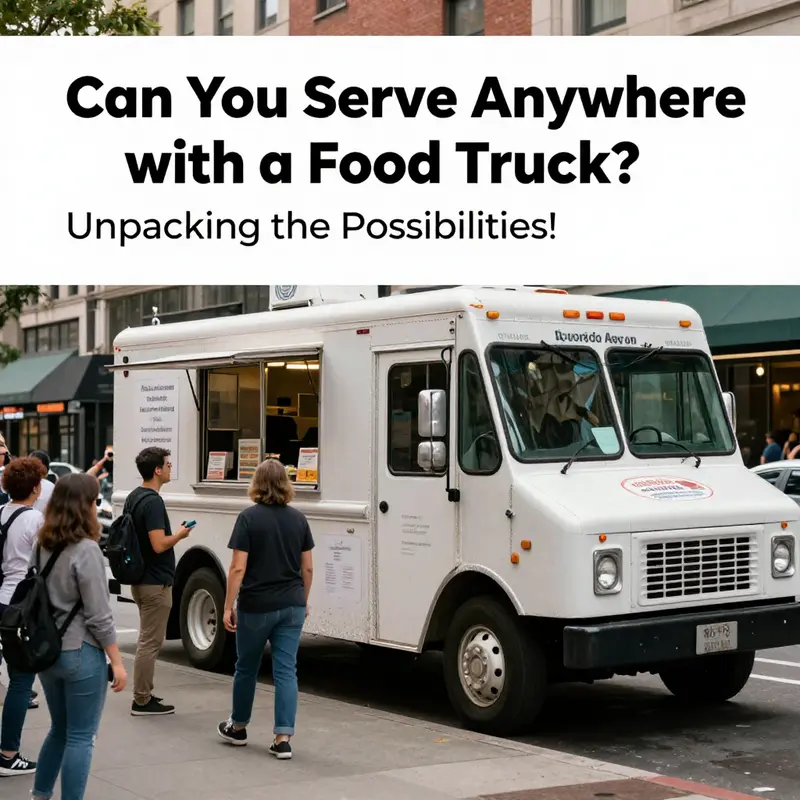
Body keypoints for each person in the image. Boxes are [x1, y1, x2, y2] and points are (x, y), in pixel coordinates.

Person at [31, 472, 126, 800]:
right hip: (81, 652)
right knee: (81, 737)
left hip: (47, 652)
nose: (96, 505)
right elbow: (99, 616)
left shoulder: (41, 543)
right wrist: (117, 661)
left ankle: (40, 793)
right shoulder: (86, 550)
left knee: (59, 730)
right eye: (95, 500)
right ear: (84, 506)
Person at [217, 459, 314, 760]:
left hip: (256, 606)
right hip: (291, 605)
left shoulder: (248, 518)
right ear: (286, 484)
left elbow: (237, 568)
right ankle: (283, 738)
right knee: (286, 670)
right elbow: (308, 568)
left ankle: (238, 727)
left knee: (246, 667)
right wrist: (303, 599)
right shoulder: (299, 519)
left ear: (256, 484)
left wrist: (228, 604)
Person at [126, 447, 192, 717]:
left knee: (146, 640)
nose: (170, 468)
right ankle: (141, 700)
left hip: (141, 579)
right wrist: (179, 535)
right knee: (150, 643)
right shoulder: (153, 502)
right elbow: (158, 544)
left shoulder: (134, 496)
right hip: (155, 581)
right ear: (157, 470)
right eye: (167, 464)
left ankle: (144, 693)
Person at [0, 457, 45, 775]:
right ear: (35, 487)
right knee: (20, 681)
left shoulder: (1, 513)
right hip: (20, 606)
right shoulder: (35, 520)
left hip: (1, 599)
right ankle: (7, 754)